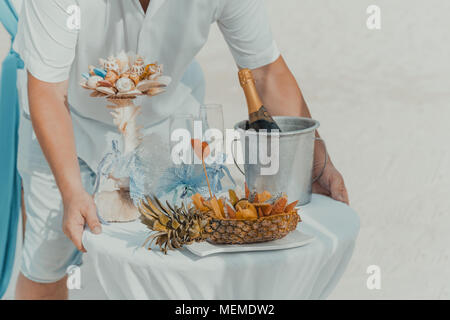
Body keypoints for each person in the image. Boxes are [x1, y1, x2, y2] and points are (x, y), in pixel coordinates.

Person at [13, 0, 349, 300]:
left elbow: (266, 72)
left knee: (171, 260)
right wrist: (72, 192)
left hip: (165, 125)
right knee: (46, 266)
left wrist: (317, 164)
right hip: (64, 119)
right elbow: (46, 93)